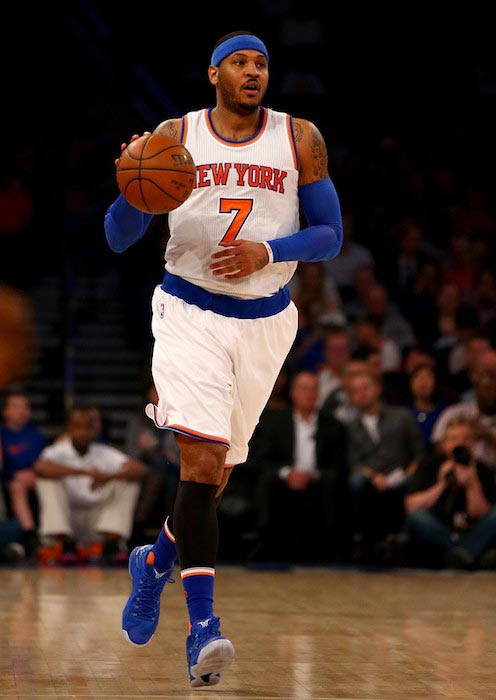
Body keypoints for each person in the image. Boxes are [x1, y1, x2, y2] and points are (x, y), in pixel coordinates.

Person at [104, 30, 343, 687]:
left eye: (262, 62)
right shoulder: (174, 137)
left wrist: (268, 252)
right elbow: (117, 237)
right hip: (188, 310)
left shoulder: (300, 139)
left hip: (265, 322)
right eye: (240, 61)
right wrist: (133, 185)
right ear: (214, 72)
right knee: (201, 460)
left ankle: (153, 566)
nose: (253, 71)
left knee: (212, 483)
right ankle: (202, 630)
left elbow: (330, 236)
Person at [249, 370, 348, 564]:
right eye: (304, 389)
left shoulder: (334, 426)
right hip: (284, 479)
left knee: (333, 483)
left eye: (313, 389)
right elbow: (263, 458)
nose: (309, 394)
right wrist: (287, 473)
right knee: (266, 480)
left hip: (317, 481)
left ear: (319, 395)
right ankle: (265, 546)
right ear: (293, 393)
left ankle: (329, 552)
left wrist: (312, 476)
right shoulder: (274, 422)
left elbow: (338, 466)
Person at [33, 407, 148, 565]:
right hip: (68, 520)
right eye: (78, 427)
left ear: (94, 430)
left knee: (127, 479)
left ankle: (112, 544)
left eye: (87, 427)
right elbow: (40, 468)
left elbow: (140, 469)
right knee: (47, 480)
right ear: (69, 429)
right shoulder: (56, 452)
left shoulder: (104, 452)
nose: (83, 432)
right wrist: (84, 472)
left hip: (97, 523)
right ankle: (64, 543)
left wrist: (107, 476)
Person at [405, 417, 496, 570]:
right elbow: (411, 506)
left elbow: (481, 514)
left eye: (466, 438)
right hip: (440, 531)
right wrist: (442, 483)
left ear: (473, 444)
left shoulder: (482, 469)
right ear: (444, 444)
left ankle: (459, 554)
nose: (460, 443)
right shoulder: (429, 464)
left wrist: (472, 483)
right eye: (453, 439)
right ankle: (469, 554)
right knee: (417, 517)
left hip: (472, 530)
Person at [0, 391, 48, 556]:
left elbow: (45, 459)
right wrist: (13, 474)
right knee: (17, 487)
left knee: (51, 484)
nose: (21, 411)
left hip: (37, 477)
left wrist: (36, 472)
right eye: (15, 407)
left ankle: (54, 534)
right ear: (5, 411)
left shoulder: (36, 434)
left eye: (25, 407)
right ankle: (30, 534)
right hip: (12, 479)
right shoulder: (2, 434)